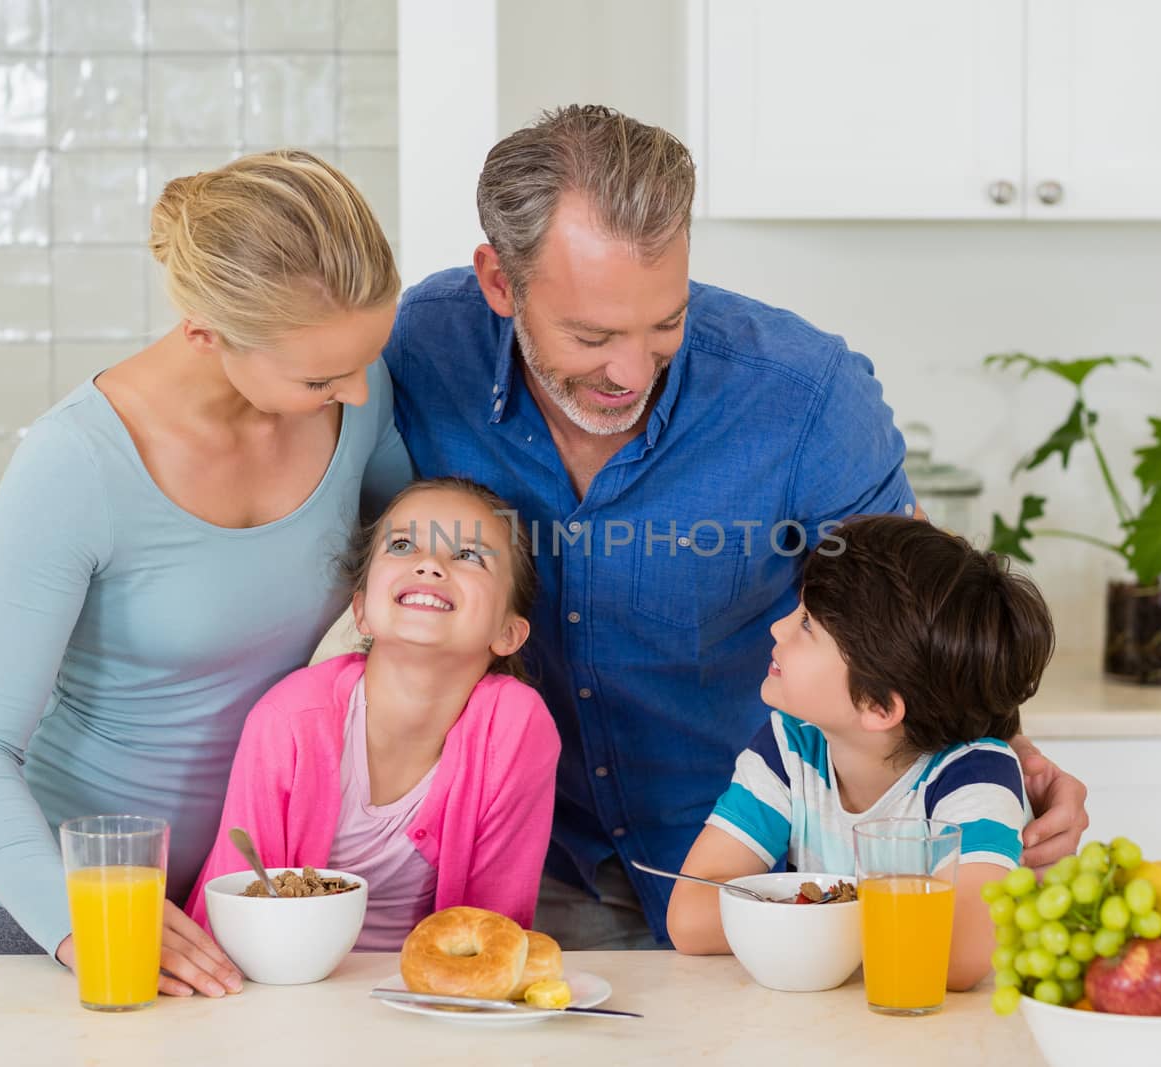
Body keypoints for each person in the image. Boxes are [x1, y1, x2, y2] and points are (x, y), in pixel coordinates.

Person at [377, 105, 1089, 948]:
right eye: (591, 335)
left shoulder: (803, 395)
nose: (632, 373)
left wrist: (1009, 753)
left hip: (760, 883)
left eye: (665, 323)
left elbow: (910, 616)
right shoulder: (421, 349)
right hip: (508, 867)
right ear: (499, 282)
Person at [0, 151, 413, 999]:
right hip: (40, 911)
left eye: (367, 359)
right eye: (322, 377)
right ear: (206, 332)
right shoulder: (78, 465)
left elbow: (420, 558)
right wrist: (82, 917)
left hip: (241, 900)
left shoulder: (353, 396)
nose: (358, 394)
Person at [666, 516, 1055, 990]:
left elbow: (956, 952)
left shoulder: (976, 775)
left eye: (807, 625)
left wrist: (810, 911)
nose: (778, 628)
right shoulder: (790, 749)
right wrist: (879, 923)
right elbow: (690, 916)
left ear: (877, 705)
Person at [185, 477, 561, 948]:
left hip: (427, 999)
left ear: (508, 633)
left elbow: (492, 934)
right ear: (360, 610)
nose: (429, 564)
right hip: (266, 983)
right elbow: (237, 912)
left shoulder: (515, 728)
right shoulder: (291, 719)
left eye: (469, 556)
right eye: (403, 545)